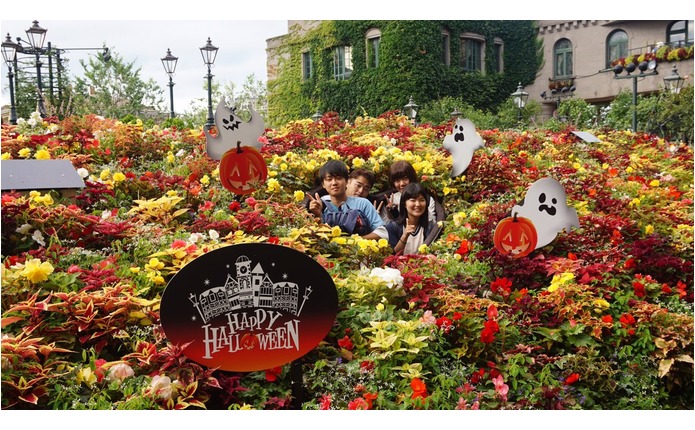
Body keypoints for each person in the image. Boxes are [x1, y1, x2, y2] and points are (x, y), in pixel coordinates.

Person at [307, 160, 388, 241]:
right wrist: (318, 215)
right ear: (323, 184)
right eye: (329, 179)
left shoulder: (363, 203)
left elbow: (383, 234)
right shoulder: (320, 204)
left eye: (338, 178)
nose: (334, 183)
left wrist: (352, 241)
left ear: (347, 181)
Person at [385, 183, 437, 255]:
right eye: (413, 200)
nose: (418, 204)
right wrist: (405, 236)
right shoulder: (392, 227)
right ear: (404, 204)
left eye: (421, 200)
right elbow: (392, 255)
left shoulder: (430, 225)